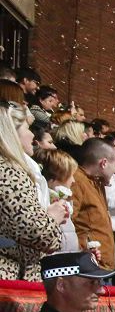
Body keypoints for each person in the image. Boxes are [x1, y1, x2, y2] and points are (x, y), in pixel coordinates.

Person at [0, 105, 64, 280]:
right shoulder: (9, 170)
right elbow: (36, 232)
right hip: (9, 277)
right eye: (27, 128)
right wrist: (52, 218)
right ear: (11, 132)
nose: (32, 136)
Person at [70, 138, 115, 270]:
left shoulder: (97, 183)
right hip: (89, 264)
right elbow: (67, 223)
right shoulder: (76, 181)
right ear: (103, 163)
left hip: (101, 264)